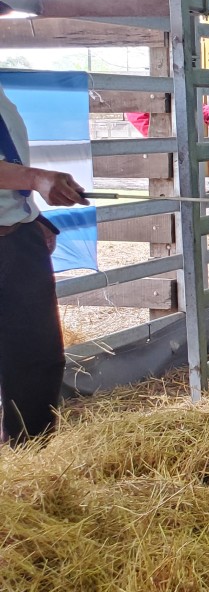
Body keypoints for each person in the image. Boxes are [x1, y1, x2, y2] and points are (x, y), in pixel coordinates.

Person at [0, 79, 87, 445]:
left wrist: (28, 214)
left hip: (16, 238)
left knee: (38, 358)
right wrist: (35, 178)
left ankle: (32, 458)